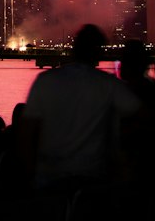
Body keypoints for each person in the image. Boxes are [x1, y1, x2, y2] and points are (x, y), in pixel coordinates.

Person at [20, 23, 142, 199]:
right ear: (98, 52)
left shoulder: (45, 80)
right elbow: (144, 114)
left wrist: (28, 175)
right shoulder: (107, 84)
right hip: (92, 180)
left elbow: (25, 135)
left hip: (49, 178)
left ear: (74, 50)